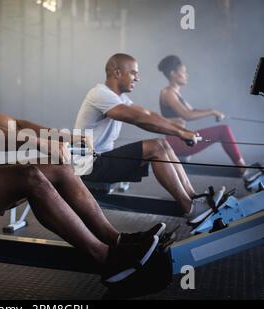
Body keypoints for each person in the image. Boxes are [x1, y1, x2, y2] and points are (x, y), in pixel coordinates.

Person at [0, 24, 165, 285]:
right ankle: (106, 259)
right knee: (30, 176)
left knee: (60, 168)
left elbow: (15, 123)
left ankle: (116, 240)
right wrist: (37, 142)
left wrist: (62, 137)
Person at [74, 53, 225, 224]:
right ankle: (190, 208)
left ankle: (194, 198)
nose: (137, 78)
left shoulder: (119, 98)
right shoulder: (100, 94)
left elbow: (148, 114)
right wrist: (181, 133)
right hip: (89, 165)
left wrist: (181, 130)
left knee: (162, 143)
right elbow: (139, 119)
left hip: (101, 161)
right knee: (156, 147)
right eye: (133, 73)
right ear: (117, 73)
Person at [157, 55, 260, 181]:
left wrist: (214, 112)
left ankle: (181, 156)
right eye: (183, 72)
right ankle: (245, 172)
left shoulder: (174, 92)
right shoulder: (168, 93)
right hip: (177, 142)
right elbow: (187, 115)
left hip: (182, 139)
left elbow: (192, 110)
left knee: (222, 130)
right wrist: (212, 111)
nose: (186, 75)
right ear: (173, 74)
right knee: (223, 130)